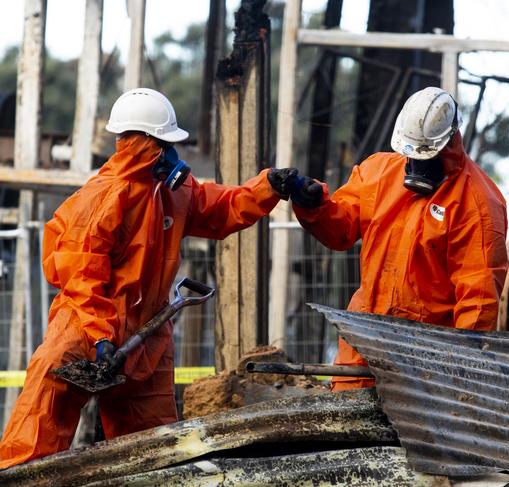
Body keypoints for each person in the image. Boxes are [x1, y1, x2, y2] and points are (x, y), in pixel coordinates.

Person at [0, 88, 299, 468]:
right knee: (37, 430)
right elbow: (81, 277)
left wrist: (268, 186)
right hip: (87, 325)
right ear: (135, 143)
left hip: (148, 332)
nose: (170, 153)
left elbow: (222, 209)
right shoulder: (103, 197)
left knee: (152, 450)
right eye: (162, 143)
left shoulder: (175, 192)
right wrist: (103, 337)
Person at [289, 87, 509, 391]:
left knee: (413, 432)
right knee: (344, 422)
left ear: (448, 144)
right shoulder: (379, 172)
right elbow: (341, 231)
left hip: (427, 351)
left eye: (425, 156)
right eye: (410, 155)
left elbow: (478, 299)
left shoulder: (478, 203)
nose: (415, 165)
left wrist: (460, 373)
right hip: (364, 335)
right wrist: (314, 206)